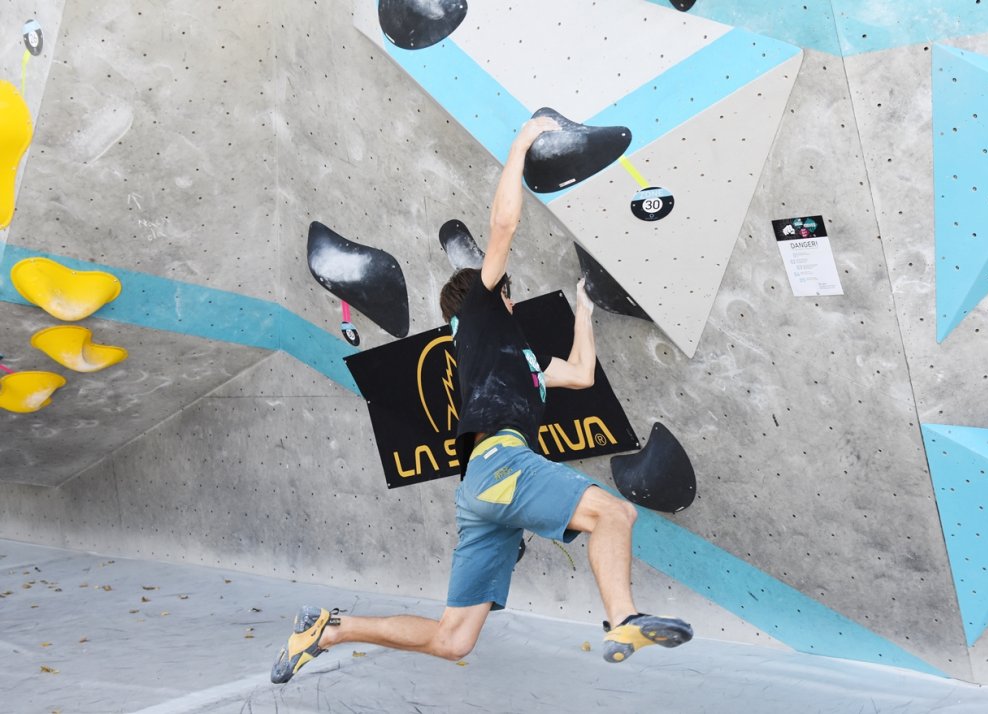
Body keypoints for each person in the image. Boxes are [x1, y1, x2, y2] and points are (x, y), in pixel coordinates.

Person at [271, 117, 692, 684]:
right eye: (507, 292)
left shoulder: (517, 362)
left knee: (453, 639)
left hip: (481, 490)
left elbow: (582, 372)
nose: (512, 300)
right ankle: (623, 620)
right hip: (500, 465)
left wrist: (584, 308)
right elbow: (503, 225)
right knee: (614, 513)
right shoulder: (478, 311)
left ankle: (330, 629)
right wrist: (519, 147)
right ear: (488, 296)